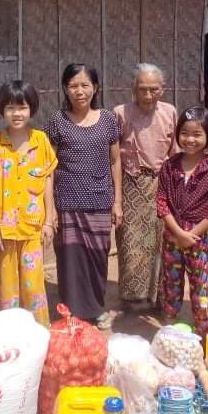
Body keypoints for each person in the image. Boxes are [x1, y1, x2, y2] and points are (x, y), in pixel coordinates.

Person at [45, 63, 122, 329]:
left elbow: (115, 161)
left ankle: (96, 309)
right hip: (66, 201)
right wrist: (50, 209)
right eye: (73, 85)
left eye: (85, 85)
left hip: (100, 199)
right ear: (65, 89)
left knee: (97, 256)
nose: (79, 91)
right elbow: (48, 165)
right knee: (70, 258)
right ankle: (71, 311)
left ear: (95, 88)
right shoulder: (57, 120)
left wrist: (118, 202)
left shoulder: (108, 119)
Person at [0, 80, 57, 326]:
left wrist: (49, 220)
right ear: (2, 109)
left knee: (33, 286)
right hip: (3, 232)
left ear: (31, 109)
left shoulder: (41, 141)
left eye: (22, 107)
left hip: (32, 228)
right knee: (7, 289)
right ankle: (10, 337)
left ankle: (39, 334)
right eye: (11, 108)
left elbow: (47, 180)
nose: (17, 113)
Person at [156, 107, 208, 337]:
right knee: (171, 285)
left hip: (199, 239)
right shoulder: (169, 166)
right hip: (172, 237)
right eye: (185, 133)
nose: (190, 139)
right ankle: (168, 335)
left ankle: (204, 337)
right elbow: (161, 202)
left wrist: (191, 235)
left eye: (197, 134)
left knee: (201, 288)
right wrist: (178, 233)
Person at [114, 63, 177, 311]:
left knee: (158, 242)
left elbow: (175, 152)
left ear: (163, 89)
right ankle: (131, 299)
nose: (148, 95)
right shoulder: (120, 113)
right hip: (130, 184)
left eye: (154, 89)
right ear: (133, 89)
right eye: (143, 89)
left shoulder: (170, 112)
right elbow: (113, 157)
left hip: (161, 183)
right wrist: (117, 199)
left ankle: (156, 297)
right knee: (130, 243)